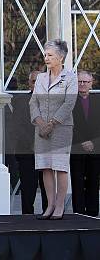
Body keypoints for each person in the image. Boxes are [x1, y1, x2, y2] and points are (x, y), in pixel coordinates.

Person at [30, 40, 77, 220]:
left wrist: (52, 123)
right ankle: (49, 205)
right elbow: (33, 101)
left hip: (61, 129)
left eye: (50, 55)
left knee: (60, 167)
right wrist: (41, 123)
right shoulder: (41, 78)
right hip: (41, 129)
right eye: (45, 55)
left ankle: (59, 206)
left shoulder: (70, 77)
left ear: (61, 57)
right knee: (45, 167)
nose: (46, 58)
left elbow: (69, 103)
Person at [10, 71, 47, 214]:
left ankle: (48, 214)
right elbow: (17, 126)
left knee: (47, 187)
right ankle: (27, 218)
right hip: (26, 150)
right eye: (33, 81)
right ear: (29, 83)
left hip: (46, 150)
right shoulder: (19, 100)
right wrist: (32, 144)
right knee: (28, 188)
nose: (37, 84)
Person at [70, 70, 100, 216]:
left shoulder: (98, 100)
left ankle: (93, 213)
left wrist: (93, 142)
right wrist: (82, 141)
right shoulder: (70, 101)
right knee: (77, 182)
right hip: (76, 146)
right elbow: (68, 125)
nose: (82, 84)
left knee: (94, 181)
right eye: (79, 82)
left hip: (95, 148)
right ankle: (79, 213)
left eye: (85, 82)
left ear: (91, 83)